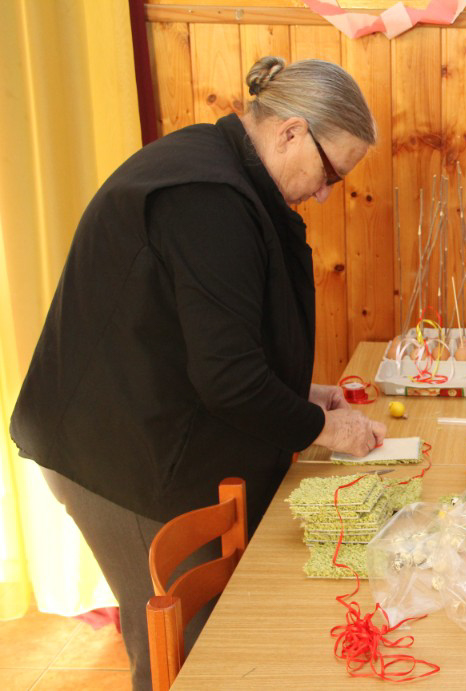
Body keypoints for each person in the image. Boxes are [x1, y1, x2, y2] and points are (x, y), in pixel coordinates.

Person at [10, 56, 386, 689]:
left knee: (217, 631)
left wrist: (302, 394)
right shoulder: (207, 198)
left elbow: (211, 341)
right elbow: (229, 379)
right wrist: (326, 428)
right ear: (291, 132)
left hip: (150, 419)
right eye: (330, 173)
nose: (325, 193)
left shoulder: (223, 170)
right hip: (118, 452)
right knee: (185, 654)